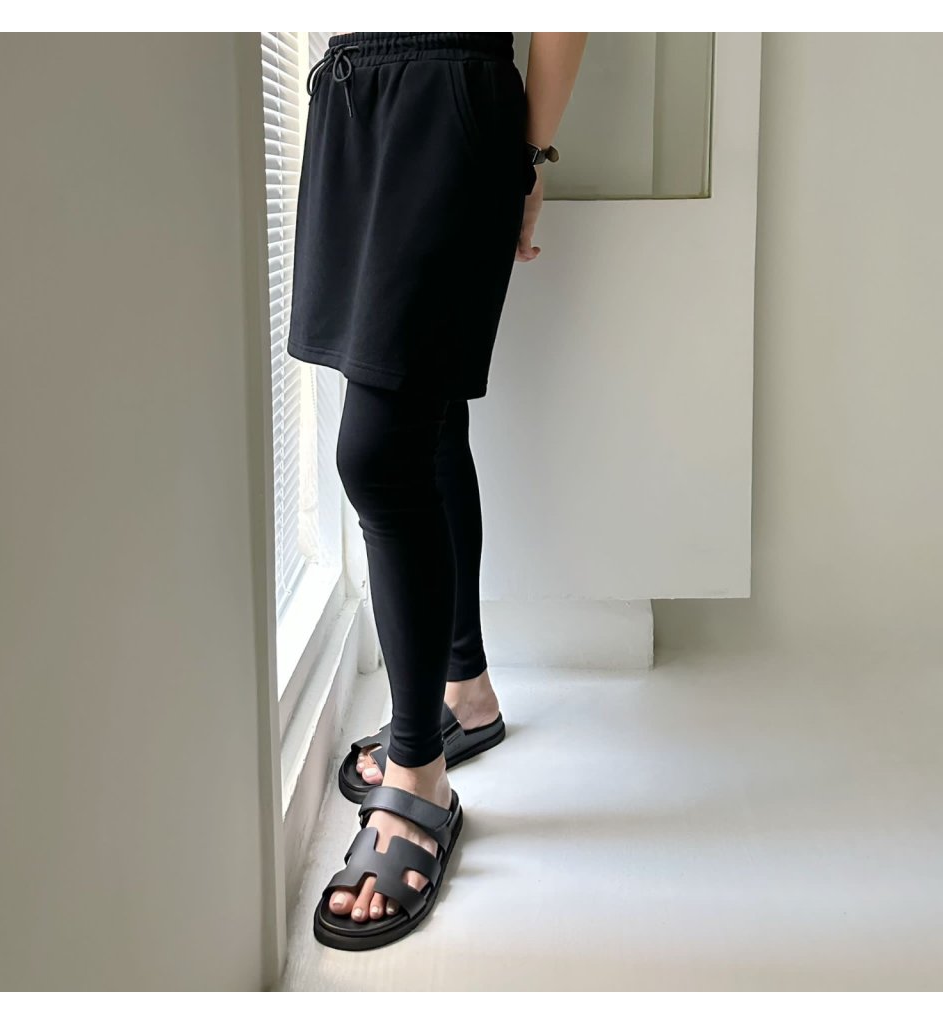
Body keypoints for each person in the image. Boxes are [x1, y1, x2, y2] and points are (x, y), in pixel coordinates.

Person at [286, 31, 587, 951]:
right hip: (352, 96)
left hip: (446, 89)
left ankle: (417, 773)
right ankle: (465, 692)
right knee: (426, 416)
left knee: (379, 452)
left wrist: (524, 157)